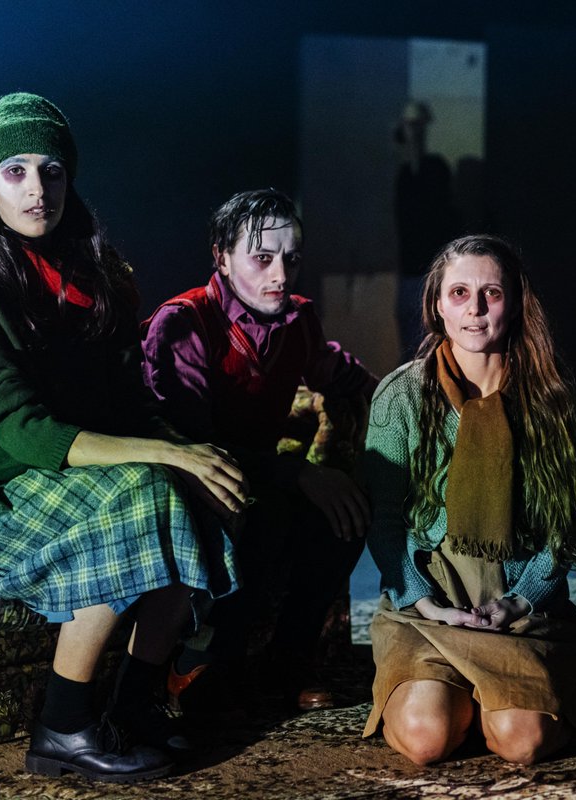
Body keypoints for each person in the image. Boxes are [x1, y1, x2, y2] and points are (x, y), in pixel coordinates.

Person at [0, 93, 249, 783]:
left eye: (52, 171)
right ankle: (62, 726)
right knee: (143, 491)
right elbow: (23, 432)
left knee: (191, 486)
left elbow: (128, 403)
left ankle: (136, 704)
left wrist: (190, 455)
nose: (37, 189)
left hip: (66, 475)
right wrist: (161, 455)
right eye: (16, 171)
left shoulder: (95, 275)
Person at [363, 234, 576, 765]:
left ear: (514, 302)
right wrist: (420, 597)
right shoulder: (400, 396)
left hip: (518, 607)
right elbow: (383, 519)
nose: (474, 309)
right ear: (437, 305)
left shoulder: (548, 395)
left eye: (491, 293)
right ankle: (450, 699)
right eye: (459, 293)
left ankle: (505, 700)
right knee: (427, 739)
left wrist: (522, 597)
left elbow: (567, 522)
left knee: (524, 742)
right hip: (429, 604)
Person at [141, 189, 376, 715]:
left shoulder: (297, 318)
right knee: (264, 515)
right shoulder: (184, 323)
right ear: (221, 256)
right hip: (194, 485)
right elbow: (190, 446)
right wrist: (294, 474)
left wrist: (403, 393)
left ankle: (288, 662)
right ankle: (204, 671)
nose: (281, 274)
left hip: (264, 476)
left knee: (348, 512)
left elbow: (336, 372)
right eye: (262, 258)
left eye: (291, 259)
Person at [393, 100, 461, 361]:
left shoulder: (435, 169)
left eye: (416, 125)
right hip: (409, 273)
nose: (413, 131)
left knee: (429, 345)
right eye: (409, 125)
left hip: (431, 272)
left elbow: (438, 220)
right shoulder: (404, 175)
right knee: (410, 348)